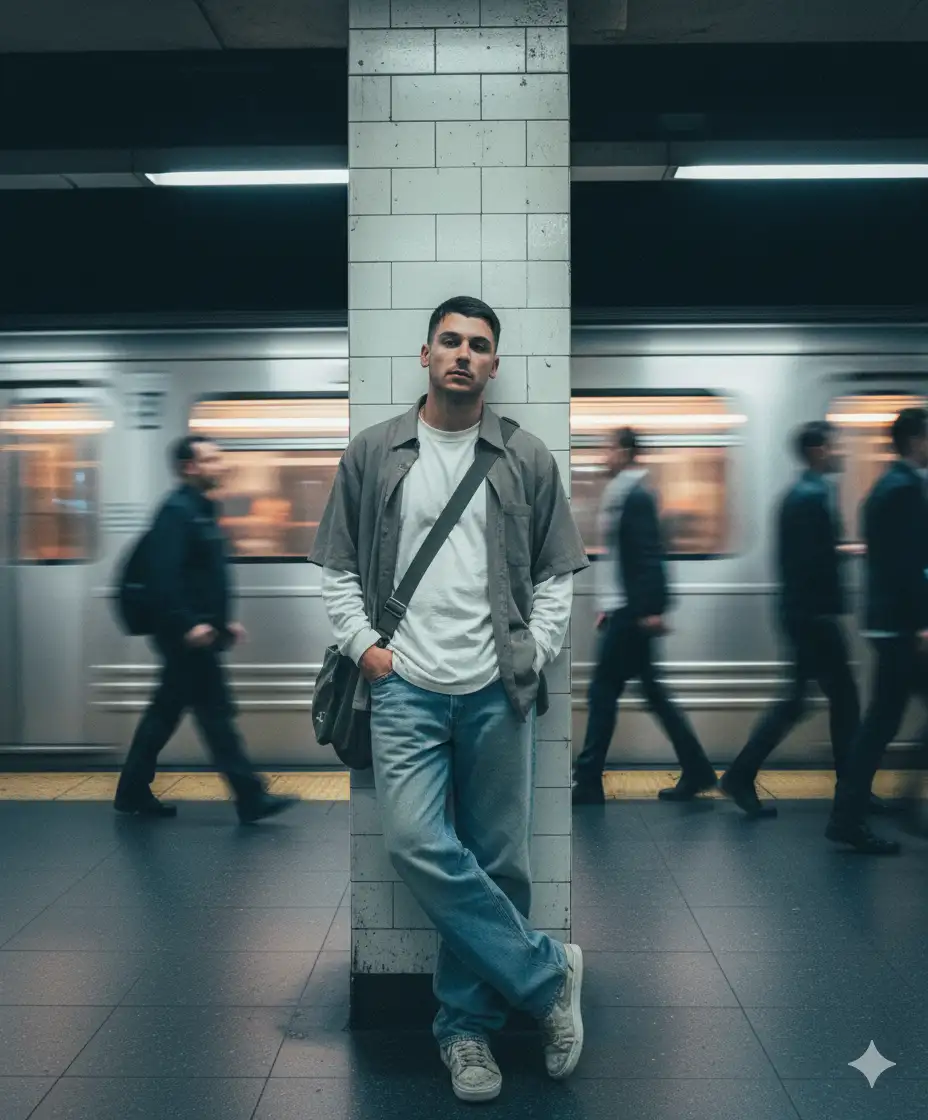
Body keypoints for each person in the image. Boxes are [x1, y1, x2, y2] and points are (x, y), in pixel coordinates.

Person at [311, 296, 589, 1103]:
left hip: (498, 690)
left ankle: (465, 1033)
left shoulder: (527, 457)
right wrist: (366, 650)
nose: (464, 354)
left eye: (479, 345)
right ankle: (548, 977)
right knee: (416, 846)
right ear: (426, 355)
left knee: (500, 863)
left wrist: (531, 654)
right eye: (451, 342)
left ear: (495, 364)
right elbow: (335, 570)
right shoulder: (375, 452)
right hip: (403, 690)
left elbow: (555, 578)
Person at [114, 435, 297, 825]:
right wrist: (189, 624)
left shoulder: (199, 509)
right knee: (215, 717)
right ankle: (249, 796)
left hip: (198, 632)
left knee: (165, 713)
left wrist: (218, 621)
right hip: (184, 636)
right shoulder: (176, 512)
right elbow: (164, 578)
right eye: (211, 459)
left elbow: (198, 576)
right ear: (189, 467)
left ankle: (131, 790)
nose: (221, 465)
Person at [720, 421, 862, 818]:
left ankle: (742, 774)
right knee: (844, 701)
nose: (841, 452)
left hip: (803, 614)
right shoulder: (812, 496)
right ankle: (852, 793)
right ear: (818, 450)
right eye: (835, 445)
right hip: (813, 617)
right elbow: (812, 562)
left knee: (799, 701)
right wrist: (840, 558)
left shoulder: (802, 494)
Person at [572, 427, 717, 804]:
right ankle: (697, 768)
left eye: (608, 448)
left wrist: (649, 609)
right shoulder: (624, 492)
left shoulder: (635, 496)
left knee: (604, 691)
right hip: (624, 610)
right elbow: (623, 558)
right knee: (652, 692)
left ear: (625, 451)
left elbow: (647, 554)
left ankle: (588, 780)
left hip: (631, 613)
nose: (603, 455)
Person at [826, 407, 928, 855]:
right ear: (914, 440)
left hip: (891, 625)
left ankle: (869, 810)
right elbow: (909, 566)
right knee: (878, 725)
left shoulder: (886, 487)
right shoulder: (904, 489)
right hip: (903, 628)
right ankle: (854, 815)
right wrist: (923, 622)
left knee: (878, 724)